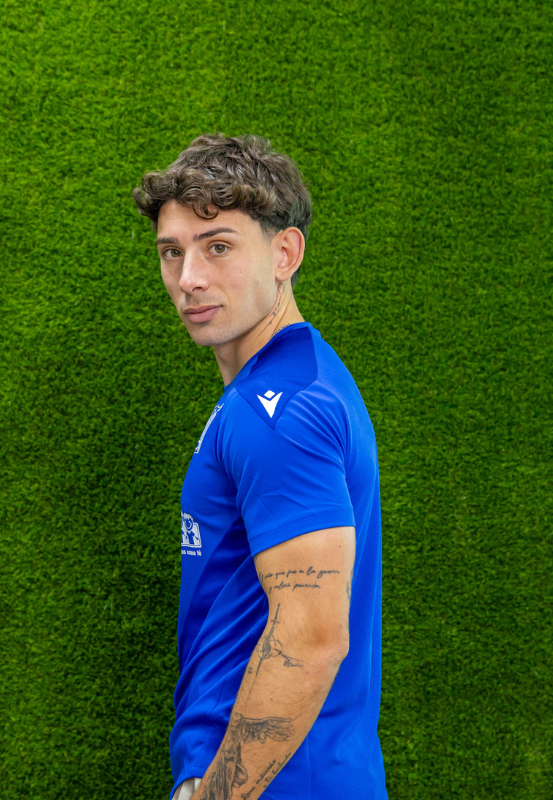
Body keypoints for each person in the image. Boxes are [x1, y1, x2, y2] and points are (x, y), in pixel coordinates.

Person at [132, 133, 388, 800]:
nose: (189, 278)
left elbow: (312, 638)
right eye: (172, 252)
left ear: (285, 254)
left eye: (217, 247)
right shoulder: (295, 382)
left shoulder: (278, 413)